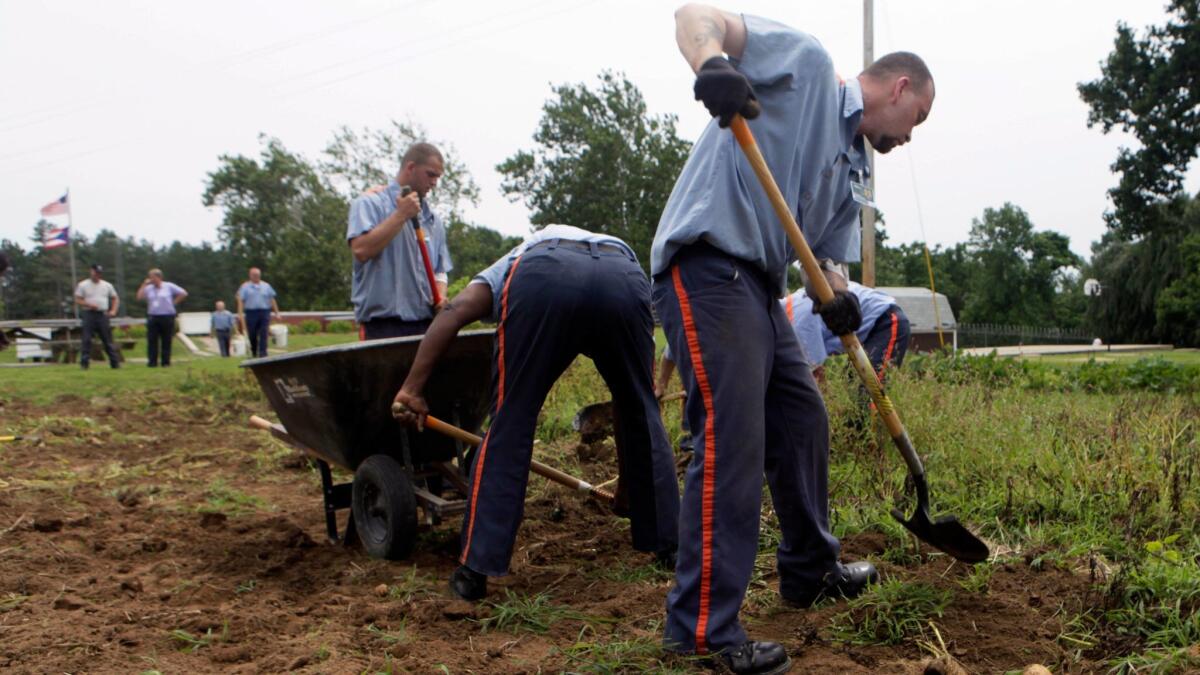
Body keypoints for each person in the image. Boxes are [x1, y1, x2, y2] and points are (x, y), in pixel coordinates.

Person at [650, 5, 934, 672]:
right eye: (915, 119)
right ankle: (700, 630)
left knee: (802, 418)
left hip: (756, 285)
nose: (910, 137)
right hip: (707, 262)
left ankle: (810, 569)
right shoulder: (804, 65)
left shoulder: (851, 169)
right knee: (734, 434)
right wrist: (713, 65)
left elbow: (825, 264)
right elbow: (697, 14)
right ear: (897, 90)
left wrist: (834, 298)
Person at [391, 224, 680, 602]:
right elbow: (629, 412)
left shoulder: (516, 260)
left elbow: (456, 309)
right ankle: (669, 545)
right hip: (622, 275)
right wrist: (627, 491)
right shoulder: (600, 247)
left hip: (545, 280)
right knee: (639, 406)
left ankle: (476, 570)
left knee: (513, 418)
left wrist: (411, 389)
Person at [347, 142, 452, 339]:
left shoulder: (433, 220)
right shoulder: (370, 203)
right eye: (430, 174)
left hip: (426, 325)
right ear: (411, 168)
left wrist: (441, 295)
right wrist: (401, 214)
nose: (435, 182)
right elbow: (361, 250)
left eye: (438, 177)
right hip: (383, 326)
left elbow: (439, 270)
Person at [783, 281, 911, 379]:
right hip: (865, 331)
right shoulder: (792, 308)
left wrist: (830, 406)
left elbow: (817, 376)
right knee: (853, 386)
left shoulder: (798, 322)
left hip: (886, 321)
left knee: (870, 393)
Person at [74, 264, 121, 370]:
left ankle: (115, 363)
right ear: (91, 272)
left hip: (102, 314)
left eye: (99, 273)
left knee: (107, 339)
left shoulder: (107, 285)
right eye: (95, 273)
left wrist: (113, 310)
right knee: (87, 339)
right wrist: (88, 304)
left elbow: (115, 298)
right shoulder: (83, 285)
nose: (97, 275)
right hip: (89, 314)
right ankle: (84, 363)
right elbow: (78, 299)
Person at [136, 269, 187, 367]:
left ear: (159, 277)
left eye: (152, 277)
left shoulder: (169, 286)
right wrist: (143, 285)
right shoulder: (149, 288)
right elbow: (139, 297)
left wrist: (174, 302)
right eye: (150, 277)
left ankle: (165, 362)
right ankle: (152, 362)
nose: (151, 280)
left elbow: (183, 293)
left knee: (166, 340)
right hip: (153, 316)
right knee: (152, 340)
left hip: (167, 316)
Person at [237, 267, 280, 357]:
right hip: (251, 312)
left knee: (264, 332)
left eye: (258, 275)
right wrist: (240, 314)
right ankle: (254, 350)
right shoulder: (245, 287)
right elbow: (240, 301)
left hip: (264, 311)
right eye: (254, 275)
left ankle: (263, 353)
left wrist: (276, 312)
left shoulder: (266, 286)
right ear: (250, 275)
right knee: (252, 333)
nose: (256, 276)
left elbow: (272, 299)